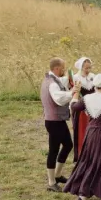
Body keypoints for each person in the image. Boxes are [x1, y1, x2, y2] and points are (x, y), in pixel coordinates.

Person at [40, 57, 77, 192]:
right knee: (53, 150)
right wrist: (72, 93)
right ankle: (51, 182)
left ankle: (57, 174)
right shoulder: (52, 84)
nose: (64, 70)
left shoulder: (50, 80)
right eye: (62, 68)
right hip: (54, 121)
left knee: (68, 145)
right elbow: (59, 99)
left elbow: (62, 83)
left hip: (56, 120)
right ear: (56, 69)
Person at [71, 56, 94, 162]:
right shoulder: (76, 78)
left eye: (89, 68)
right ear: (81, 67)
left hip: (93, 109)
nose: (88, 70)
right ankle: (83, 156)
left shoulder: (93, 77)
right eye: (86, 68)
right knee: (82, 132)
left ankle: (93, 153)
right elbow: (73, 95)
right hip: (81, 110)